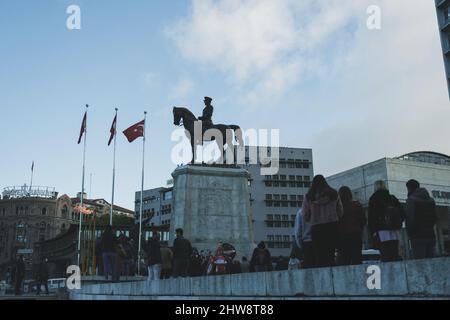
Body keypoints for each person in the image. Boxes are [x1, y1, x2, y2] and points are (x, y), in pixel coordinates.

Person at [302, 175, 343, 268]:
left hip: (317, 228)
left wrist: (311, 219)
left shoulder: (309, 196)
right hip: (332, 226)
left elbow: (305, 215)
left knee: (319, 256)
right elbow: (340, 211)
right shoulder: (334, 194)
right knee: (331, 254)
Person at [368, 180, 405, 262]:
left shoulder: (373, 198)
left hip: (382, 231)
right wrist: (398, 223)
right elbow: (402, 212)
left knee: (385, 253)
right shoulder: (392, 198)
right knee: (395, 253)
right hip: (394, 230)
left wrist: (373, 231)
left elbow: (371, 217)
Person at [405, 179, 437, 260]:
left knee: (419, 264)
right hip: (430, 234)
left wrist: (409, 233)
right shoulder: (431, 200)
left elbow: (410, 218)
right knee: (431, 262)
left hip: (417, 236)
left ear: (409, 188)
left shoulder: (411, 200)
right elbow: (434, 217)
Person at [337, 186, 367, 265]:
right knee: (356, 259)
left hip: (342, 236)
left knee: (344, 260)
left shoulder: (338, 207)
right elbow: (363, 220)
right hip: (356, 234)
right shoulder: (357, 205)